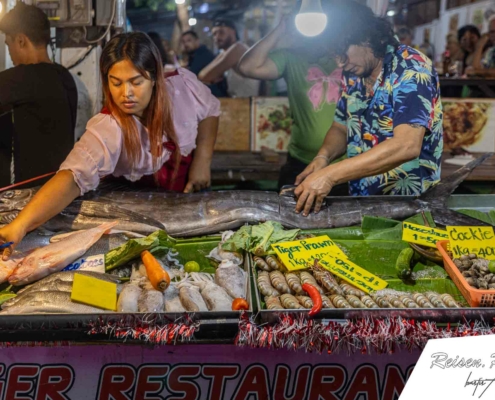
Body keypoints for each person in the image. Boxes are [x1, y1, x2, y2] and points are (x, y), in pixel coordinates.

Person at [0, 32, 220, 258]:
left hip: (190, 203)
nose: (126, 94)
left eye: (136, 82)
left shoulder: (181, 88)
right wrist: (20, 225)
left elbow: (211, 111)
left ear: (155, 78)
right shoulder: (109, 126)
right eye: (116, 83)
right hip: (135, 219)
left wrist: (203, 160)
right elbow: (71, 177)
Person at [294, 1, 443, 216]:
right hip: (363, 201)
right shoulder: (354, 72)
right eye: (333, 56)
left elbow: (407, 145)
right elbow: (341, 127)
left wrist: (329, 175)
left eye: (342, 53)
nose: (339, 64)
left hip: (410, 205)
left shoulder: (411, 68)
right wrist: (323, 157)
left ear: (367, 38)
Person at [238, 12, 344, 190]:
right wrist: (280, 29)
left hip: (345, 162)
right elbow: (247, 67)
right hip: (300, 160)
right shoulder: (291, 57)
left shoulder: (349, 58)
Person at [0, 3, 77, 182]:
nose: (10, 53)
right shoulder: (64, 76)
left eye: (8, 44)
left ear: (21, 41)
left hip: (29, 193)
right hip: (59, 188)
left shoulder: (24, 78)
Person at [199, 19, 260, 98]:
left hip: (247, 105)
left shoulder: (238, 49)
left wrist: (214, 77)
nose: (217, 37)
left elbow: (204, 76)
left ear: (233, 32)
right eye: (214, 34)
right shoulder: (226, 52)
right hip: (239, 104)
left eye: (221, 32)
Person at [181, 30, 227, 97]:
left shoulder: (202, 55)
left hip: (215, 96)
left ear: (197, 41)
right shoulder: (195, 55)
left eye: (189, 41)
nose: (186, 44)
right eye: (184, 42)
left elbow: (191, 77)